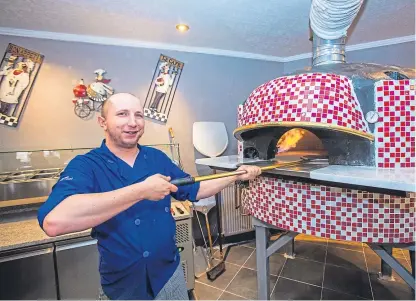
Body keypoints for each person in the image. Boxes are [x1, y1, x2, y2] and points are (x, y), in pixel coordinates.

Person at [37, 93, 261, 300]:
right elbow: (55, 221)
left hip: (168, 275)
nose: (133, 122)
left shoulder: (157, 158)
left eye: (138, 115)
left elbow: (196, 189)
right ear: (102, 122)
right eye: (122, 114)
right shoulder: (86, 165)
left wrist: (236, 175)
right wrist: (142, 191)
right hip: (121, 284)